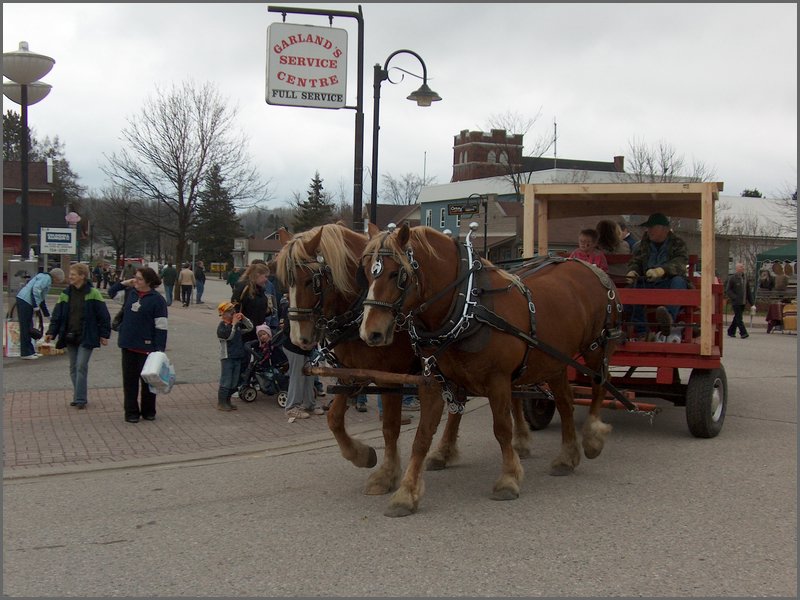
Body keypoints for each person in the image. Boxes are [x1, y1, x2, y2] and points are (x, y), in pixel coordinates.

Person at [44, 263, 111, 409]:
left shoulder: (94, 293)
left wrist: (104, 334)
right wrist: (51, 332)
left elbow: (103, 316)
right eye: (70, 275)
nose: (70, 277)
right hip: (70, 335)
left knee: (81, 366)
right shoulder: (65, 294)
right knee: (73, 367)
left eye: (73, 274)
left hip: (86, 335)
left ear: (82, 276)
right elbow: (57, 315)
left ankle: (80, 398)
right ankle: (78, 395)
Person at [108, 266, 168, 423]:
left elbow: (161, 325)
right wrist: (124, 283)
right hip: (128, 344)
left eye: (140, 278)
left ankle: (148, 411)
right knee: (129, 382)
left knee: (148, 381)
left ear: (148, 281)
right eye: (135, 277)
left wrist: (159, 349)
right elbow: (111, 293)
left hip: (147, 347)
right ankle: (131, 412)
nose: (136, 280)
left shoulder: (157, 300)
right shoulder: (130, 293)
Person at [626, 212, 689, 340]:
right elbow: (636, 261)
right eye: (648, 228)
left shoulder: (678, 243)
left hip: (668, 282)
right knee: (636, 285)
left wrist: (662, 270)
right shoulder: (643, 244)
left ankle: (668, 319)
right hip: (648, 282)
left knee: (679, 281)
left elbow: (681, 262)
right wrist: (633, 271)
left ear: (664, 229)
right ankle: (642, 332)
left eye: (651, 227)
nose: (648, 231)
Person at [15, 267, 65, 360]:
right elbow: (36, 290)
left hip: (25, 301)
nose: (58, 282)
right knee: (26, 328)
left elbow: (41, 299)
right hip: (26, 301)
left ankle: (30, 351)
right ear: (56, 278)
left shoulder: (44, 277)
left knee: (29, 326)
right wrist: (35, 306)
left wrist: (47, 314)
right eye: (59, 280)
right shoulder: (46, 278)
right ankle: (25, 352)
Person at [216, 301, 253, 411]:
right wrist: (233, 324)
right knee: (226, 380)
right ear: (223, 314)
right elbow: (228, 337)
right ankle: (221, 402)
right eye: (230, 312)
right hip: (227, 357)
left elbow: (250, 327)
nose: (233, 313)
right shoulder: (222, 327)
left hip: (237, 355)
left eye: (233, 311)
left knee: (234, 381)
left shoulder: (236, 326)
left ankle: (228, 400)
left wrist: (244, 318)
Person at [726, 263, 754, 339]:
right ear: (737, 268)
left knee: (737, 317)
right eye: (741, 267)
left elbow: (748, 291)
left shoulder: (745, 278)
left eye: (743, 267)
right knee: (739, 318)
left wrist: (752, 303)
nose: (743, 268)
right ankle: (743, 332)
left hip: (743, 302)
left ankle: (731, 331)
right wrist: (734, 297)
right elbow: (728, 290)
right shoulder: (732, 278)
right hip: (736, 302)